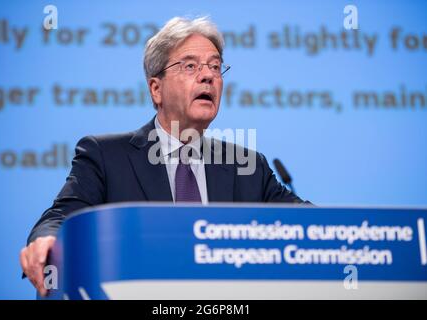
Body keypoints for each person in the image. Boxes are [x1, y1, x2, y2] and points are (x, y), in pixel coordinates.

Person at [20, 16, 310, 296]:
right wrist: (47, 239)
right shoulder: (106, 156)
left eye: (215, 66)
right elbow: (60, 216)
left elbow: (310, 224)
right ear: (156, 89)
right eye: (190, 66)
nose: (208, 75)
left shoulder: (247, 166)